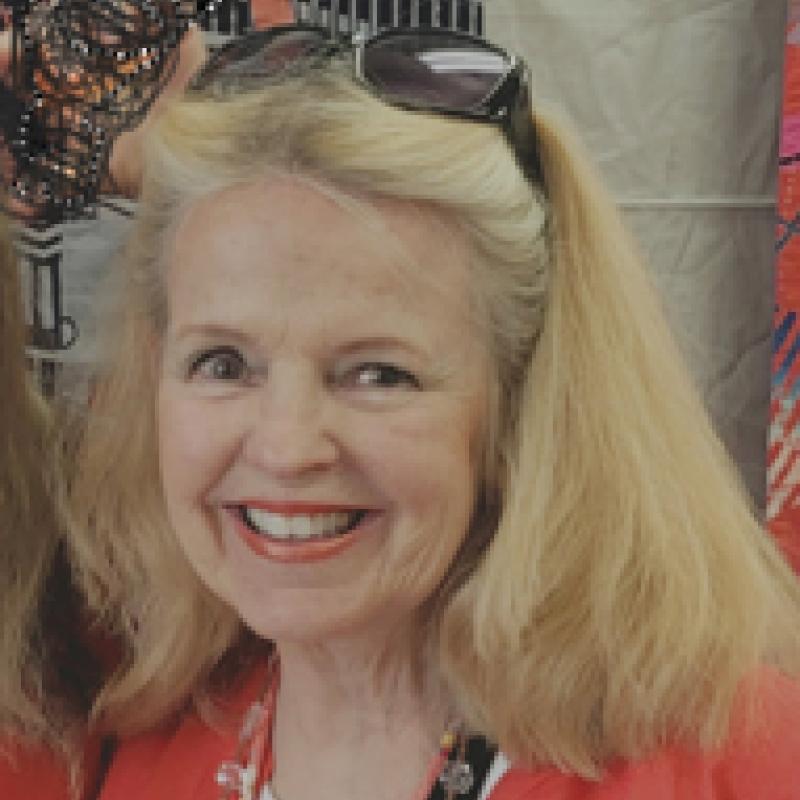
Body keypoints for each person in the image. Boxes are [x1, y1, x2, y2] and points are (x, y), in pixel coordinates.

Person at [68, 23, 800, 800]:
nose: (285, 447)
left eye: (379, 375)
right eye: (223, 364)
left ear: (520, 402)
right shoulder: (138, 745)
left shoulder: (737, 761)